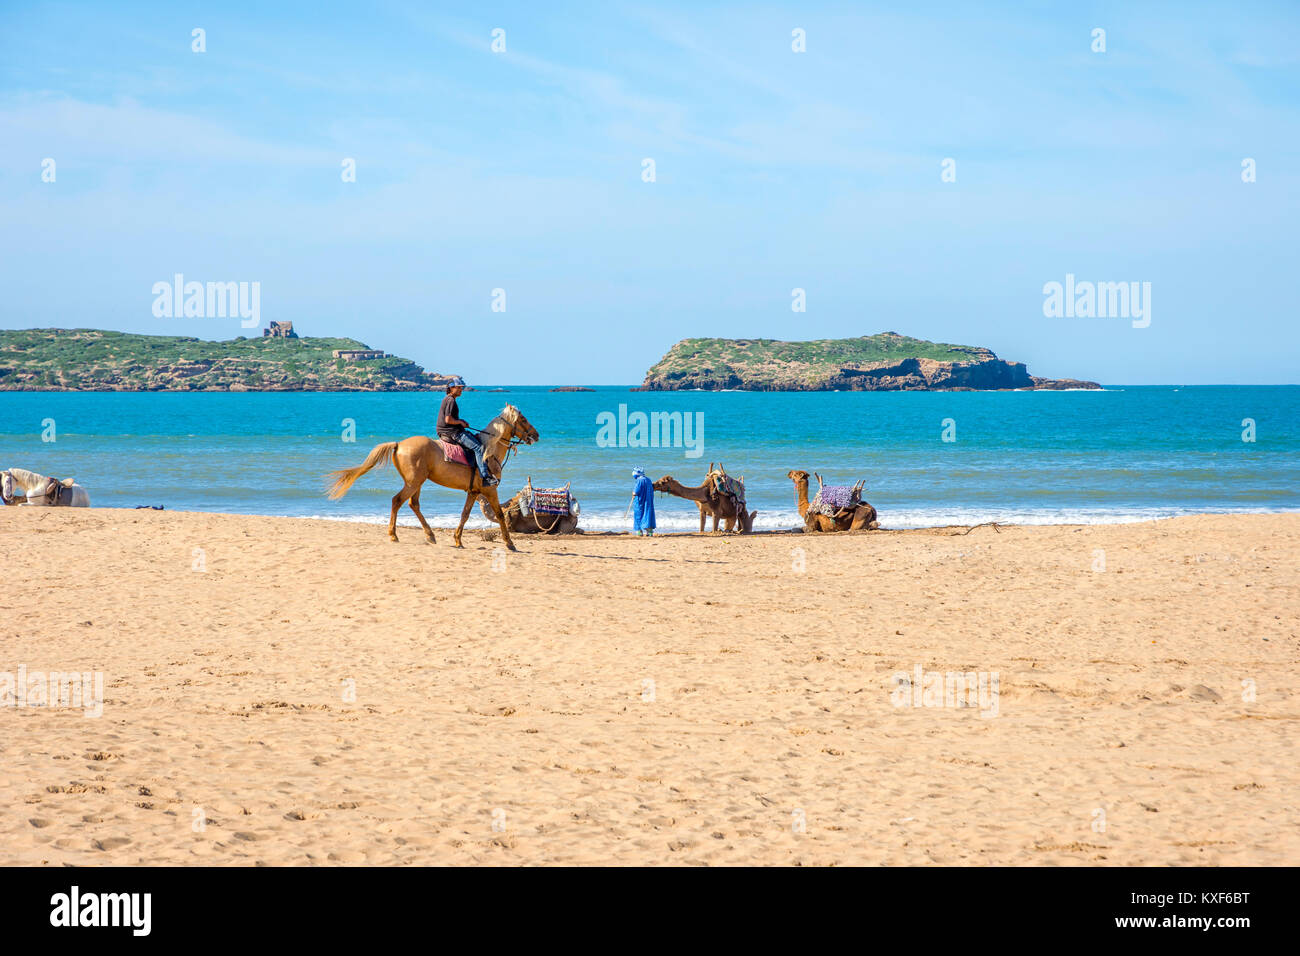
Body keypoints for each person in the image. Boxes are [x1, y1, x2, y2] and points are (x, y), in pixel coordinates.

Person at [436, 378, 497, 486]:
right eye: (458, 388)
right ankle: (485, 477)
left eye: (461, 388)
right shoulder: (451, 400)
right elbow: (448, 420)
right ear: (451, 388)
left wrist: (461, 422)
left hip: (448, 430)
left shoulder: (447, 399)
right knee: (479, 448)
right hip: (452, 432)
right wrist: (460, 422)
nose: (461, 390)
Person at [631, 467, 655, 536]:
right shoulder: (648, 480)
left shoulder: (639, 480)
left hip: (640, 501)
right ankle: (650, 532)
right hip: (648, 501)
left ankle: (639, 532)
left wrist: (633, 493)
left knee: (638, 515)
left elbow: (636, 492)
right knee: (647, 514)